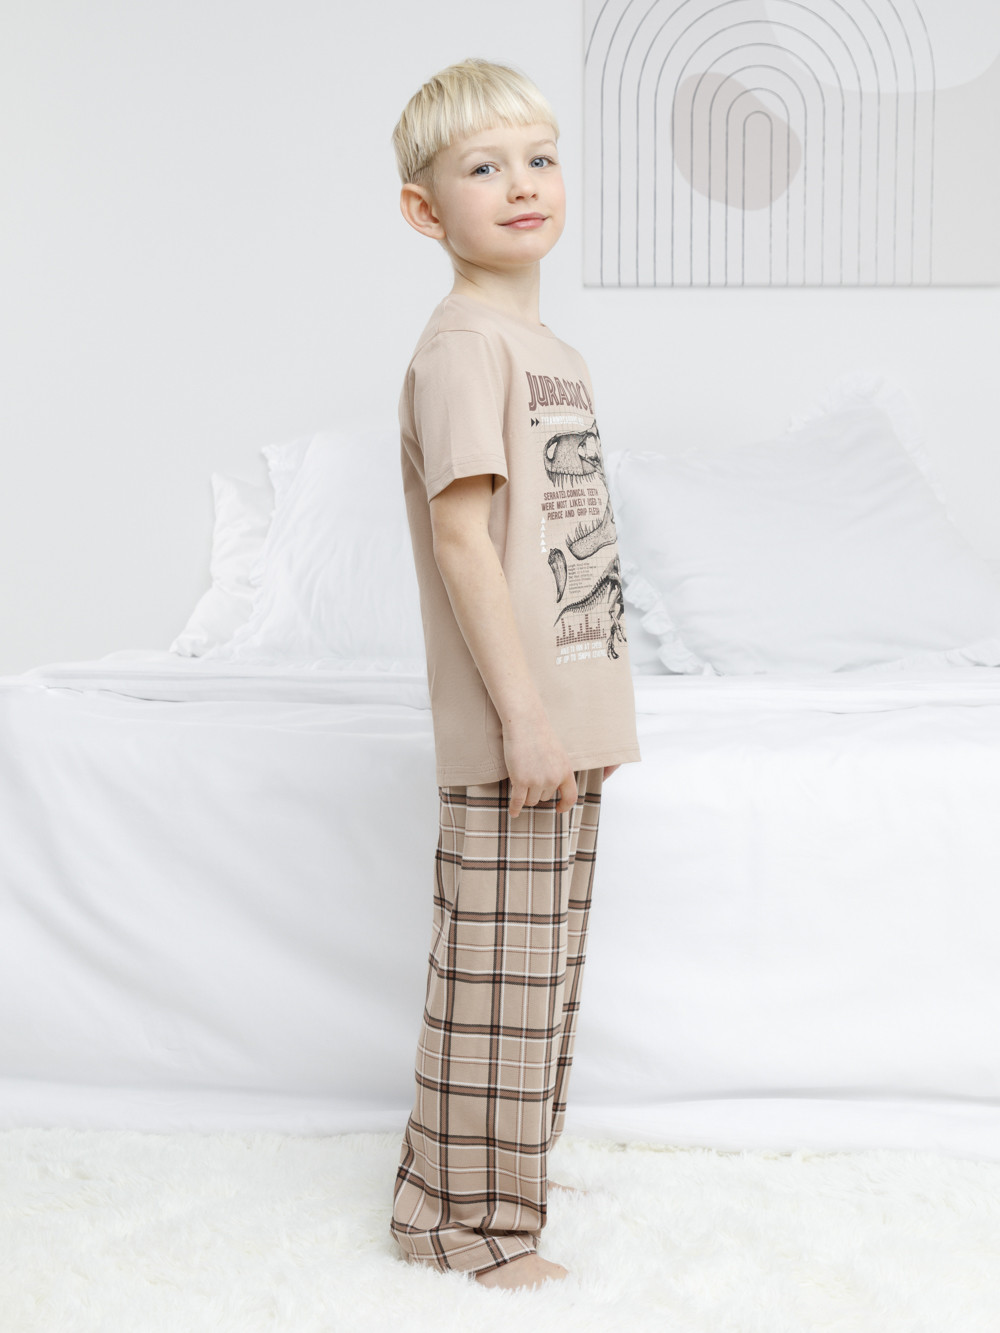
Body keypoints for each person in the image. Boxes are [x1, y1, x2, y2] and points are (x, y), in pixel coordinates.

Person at [388, 57, 641, 1292]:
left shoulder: (549, 348)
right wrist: (525, 718)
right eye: (483, 168)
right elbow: (462, 541)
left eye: (538, 158)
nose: (522, 183)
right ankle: (466, 1226)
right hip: (517, 721)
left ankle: (511, 1172)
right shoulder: (462, 349)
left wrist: (581, 712)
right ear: (425, 209)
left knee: (542, 973)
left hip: (571, 709)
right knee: (495, 978)